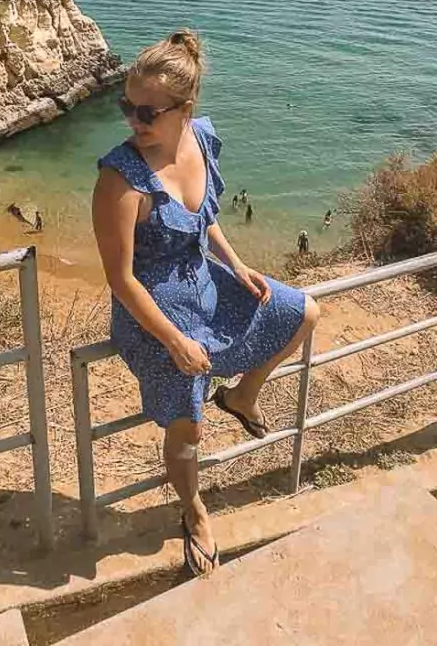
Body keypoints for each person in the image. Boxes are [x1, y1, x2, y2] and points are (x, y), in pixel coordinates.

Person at [92, 29, 319, 579]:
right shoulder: (120, 179)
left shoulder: (202, 140)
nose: (134, 121)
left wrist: (236, 261)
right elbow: (120, 280)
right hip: (152, 313)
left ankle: (241, 396)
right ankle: (193, 512)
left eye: (148, 112)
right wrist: (174, 340)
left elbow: (204, 214)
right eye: (128, 107)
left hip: (205, 280)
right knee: (188, 425)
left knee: (304, 312)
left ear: (185, 110)